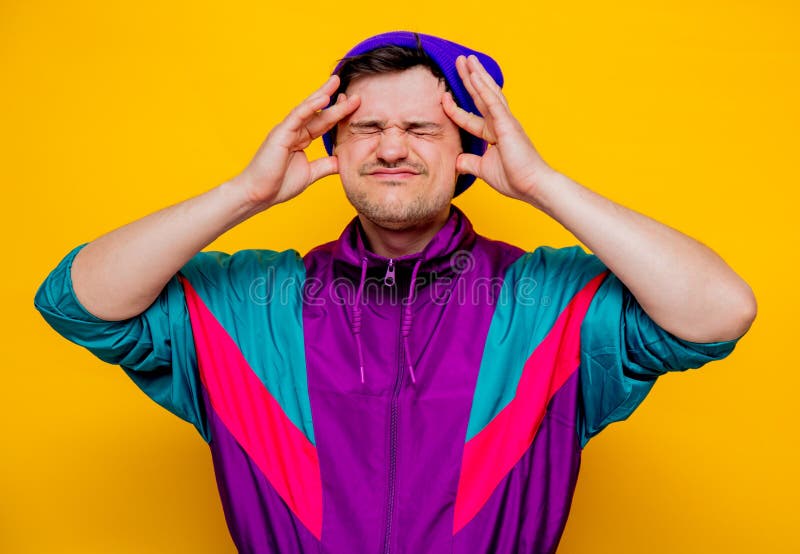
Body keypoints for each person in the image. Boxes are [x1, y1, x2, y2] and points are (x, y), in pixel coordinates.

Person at [34, 31, 756, 554]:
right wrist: (244, 194)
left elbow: (720, 312)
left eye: (421, 129)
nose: (389, 148)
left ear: (469, 151)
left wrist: (542, 186)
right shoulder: (248, 303)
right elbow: (77, 302)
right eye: (367, 127)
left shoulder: (549, 304)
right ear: (334, 148)